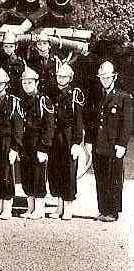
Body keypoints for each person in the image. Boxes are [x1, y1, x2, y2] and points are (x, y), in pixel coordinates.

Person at [85, 61, 131, 222]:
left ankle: (113, 211)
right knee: (101, 178)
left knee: (114, 178)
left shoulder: (123, 97)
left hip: (114, 145)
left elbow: (127, 123)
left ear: (114, 77)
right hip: (99, 144)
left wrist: (122, 144)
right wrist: (89, 141)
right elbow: (92, 121)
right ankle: (103, 209)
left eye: (107, 77)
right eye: (102, 77)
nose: (104, 80)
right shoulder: (97, 96)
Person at [0, 68, 24, 220]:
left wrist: (15, 147)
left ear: (6, 84)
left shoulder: (14, 102)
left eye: (0, 83)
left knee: (7, 176)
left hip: (7, 143)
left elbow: (18, 128)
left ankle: (7, 208)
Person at [48, 62, 84, 221]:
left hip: (69, 136)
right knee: (55, 170)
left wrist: (77, 142)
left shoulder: (75, 94)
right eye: (58, 76)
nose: (60, 79)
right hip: (56, 137)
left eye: (63, 76)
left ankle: (68, 206)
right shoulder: (52, 92)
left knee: (69, 171)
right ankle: (59, 206)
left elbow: (78, 120)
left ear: (70, 78)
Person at [20, 67, 55, 220]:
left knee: (38, 176)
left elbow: (49, 126)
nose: (27, 85)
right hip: (25, 144)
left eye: (30, 82)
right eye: (25, 82)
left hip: (37, 144)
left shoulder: (43, 100)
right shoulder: (22, 101)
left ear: (36, 83)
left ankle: (39, 209)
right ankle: (30, 208)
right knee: (26, 175)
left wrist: (44, 147)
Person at [0, 31, 27, 96]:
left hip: (16, 91)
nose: (8, 49)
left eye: (11, 46)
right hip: (1, 90)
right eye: (6, 46)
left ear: (16, 46)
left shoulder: (19, 61)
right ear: (2, 46)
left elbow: (21, 78)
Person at [28, 31, 61, 99]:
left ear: (49, 46)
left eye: (45, 43)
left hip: (53, 96)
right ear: (36, 46)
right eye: (39, 44)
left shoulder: (56, 61)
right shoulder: (32, 61)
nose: (42, 47)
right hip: (37, 97)